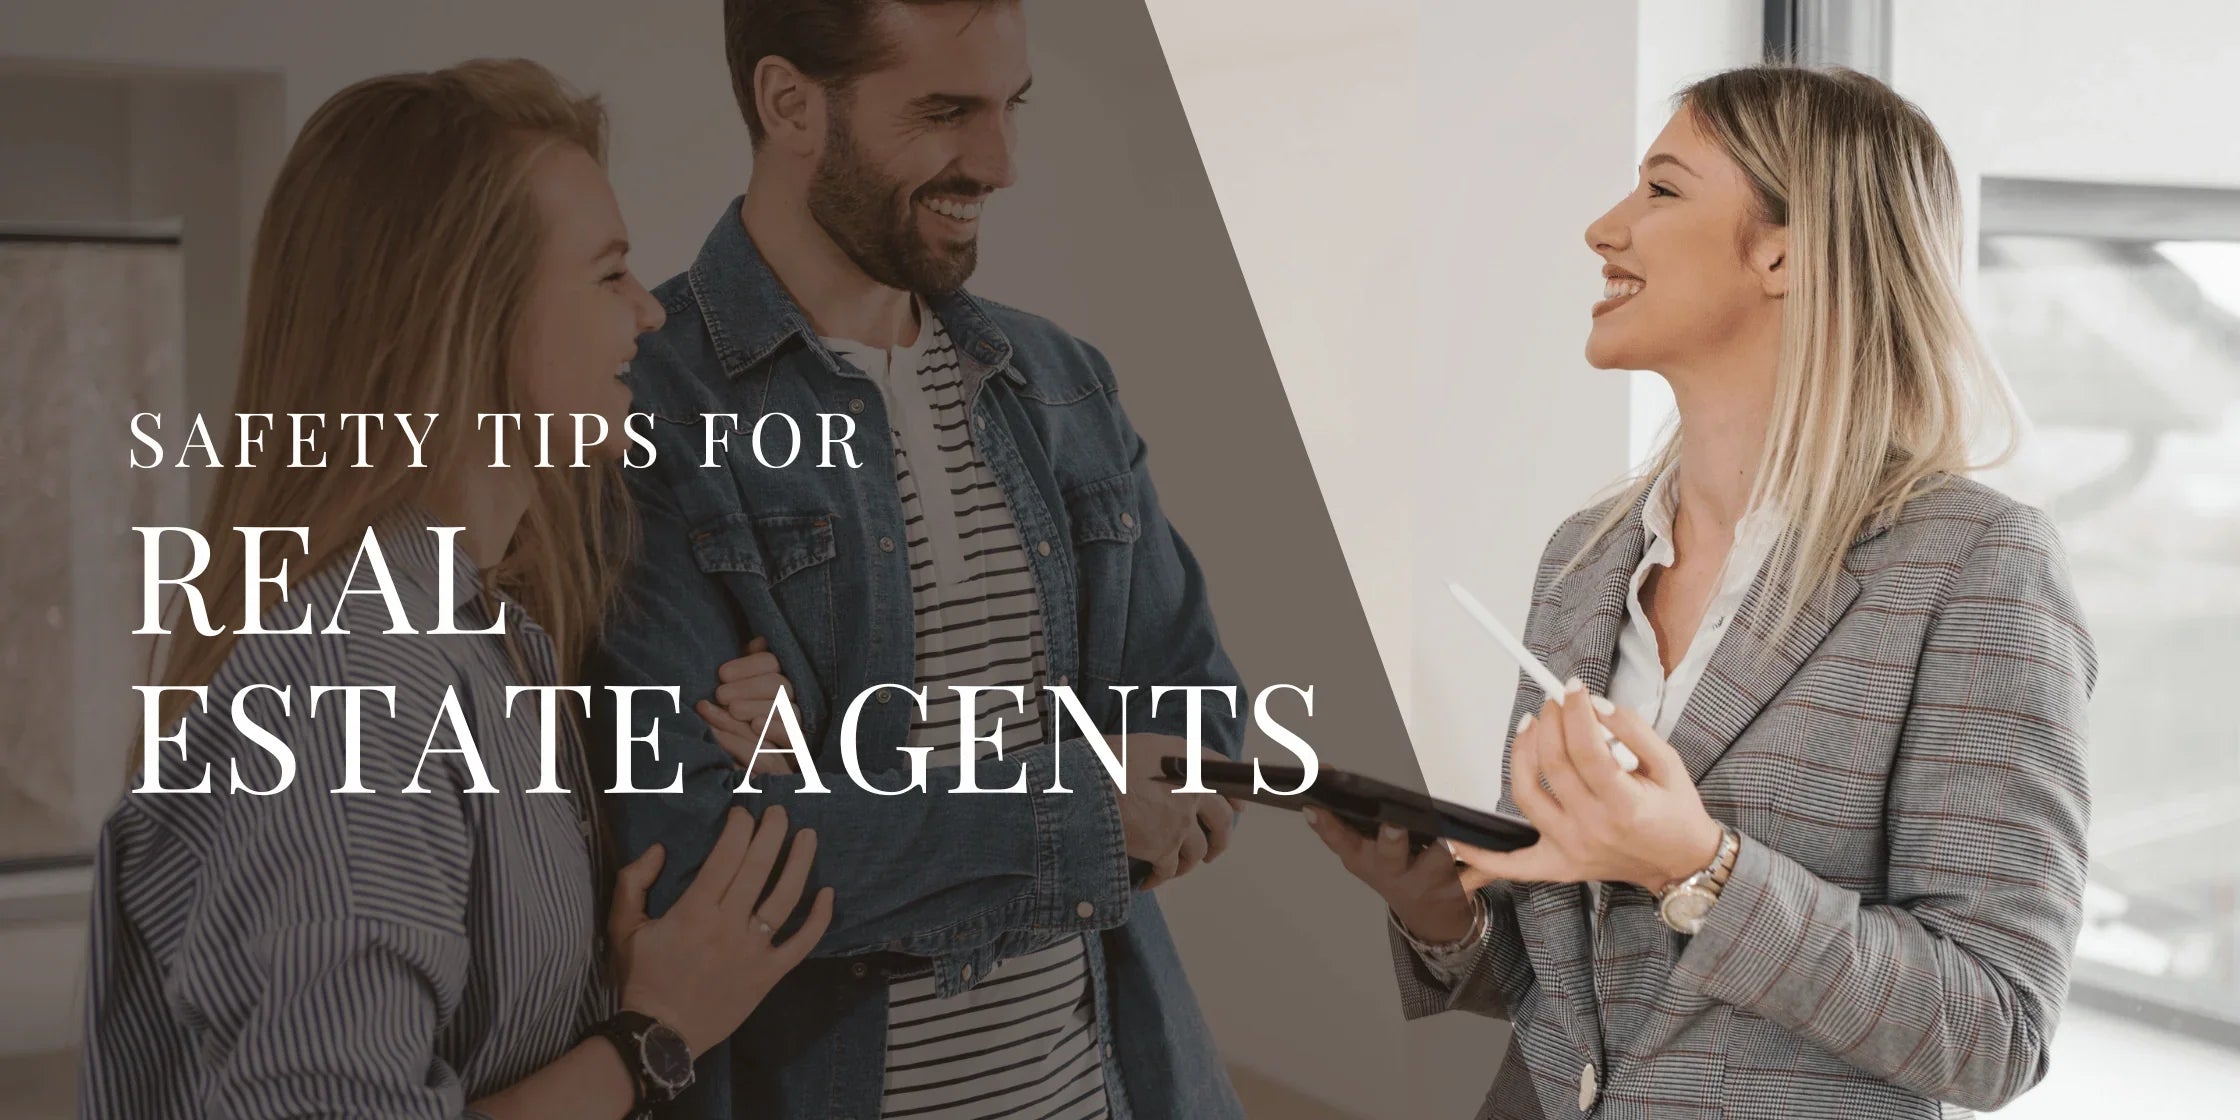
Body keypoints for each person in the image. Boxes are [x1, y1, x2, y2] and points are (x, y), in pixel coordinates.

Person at [1311, 65, 2094, 1119]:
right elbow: (1583, 988)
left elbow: (1994, 1031)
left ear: (1783, 249)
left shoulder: (1976, 568)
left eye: (1660, 190)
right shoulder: (1582, 561)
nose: (1602, 227)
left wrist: (1699, 863)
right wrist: (1436, 912)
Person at [79, 60, 831, 1120]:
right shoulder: (353, 689)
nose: (647, 317)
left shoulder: (488, 634)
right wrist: (649, 1039)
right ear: (470, 313)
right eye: (607, 273)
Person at [587, 1, 1247, 1117]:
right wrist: (1076, 814)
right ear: (789, 103)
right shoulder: (645, 406)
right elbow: (692, 859)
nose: (997, 163)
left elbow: (1204, 738)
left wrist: (832, 783)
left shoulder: (1062, 383)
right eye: (945, 112)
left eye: (1007, 107)